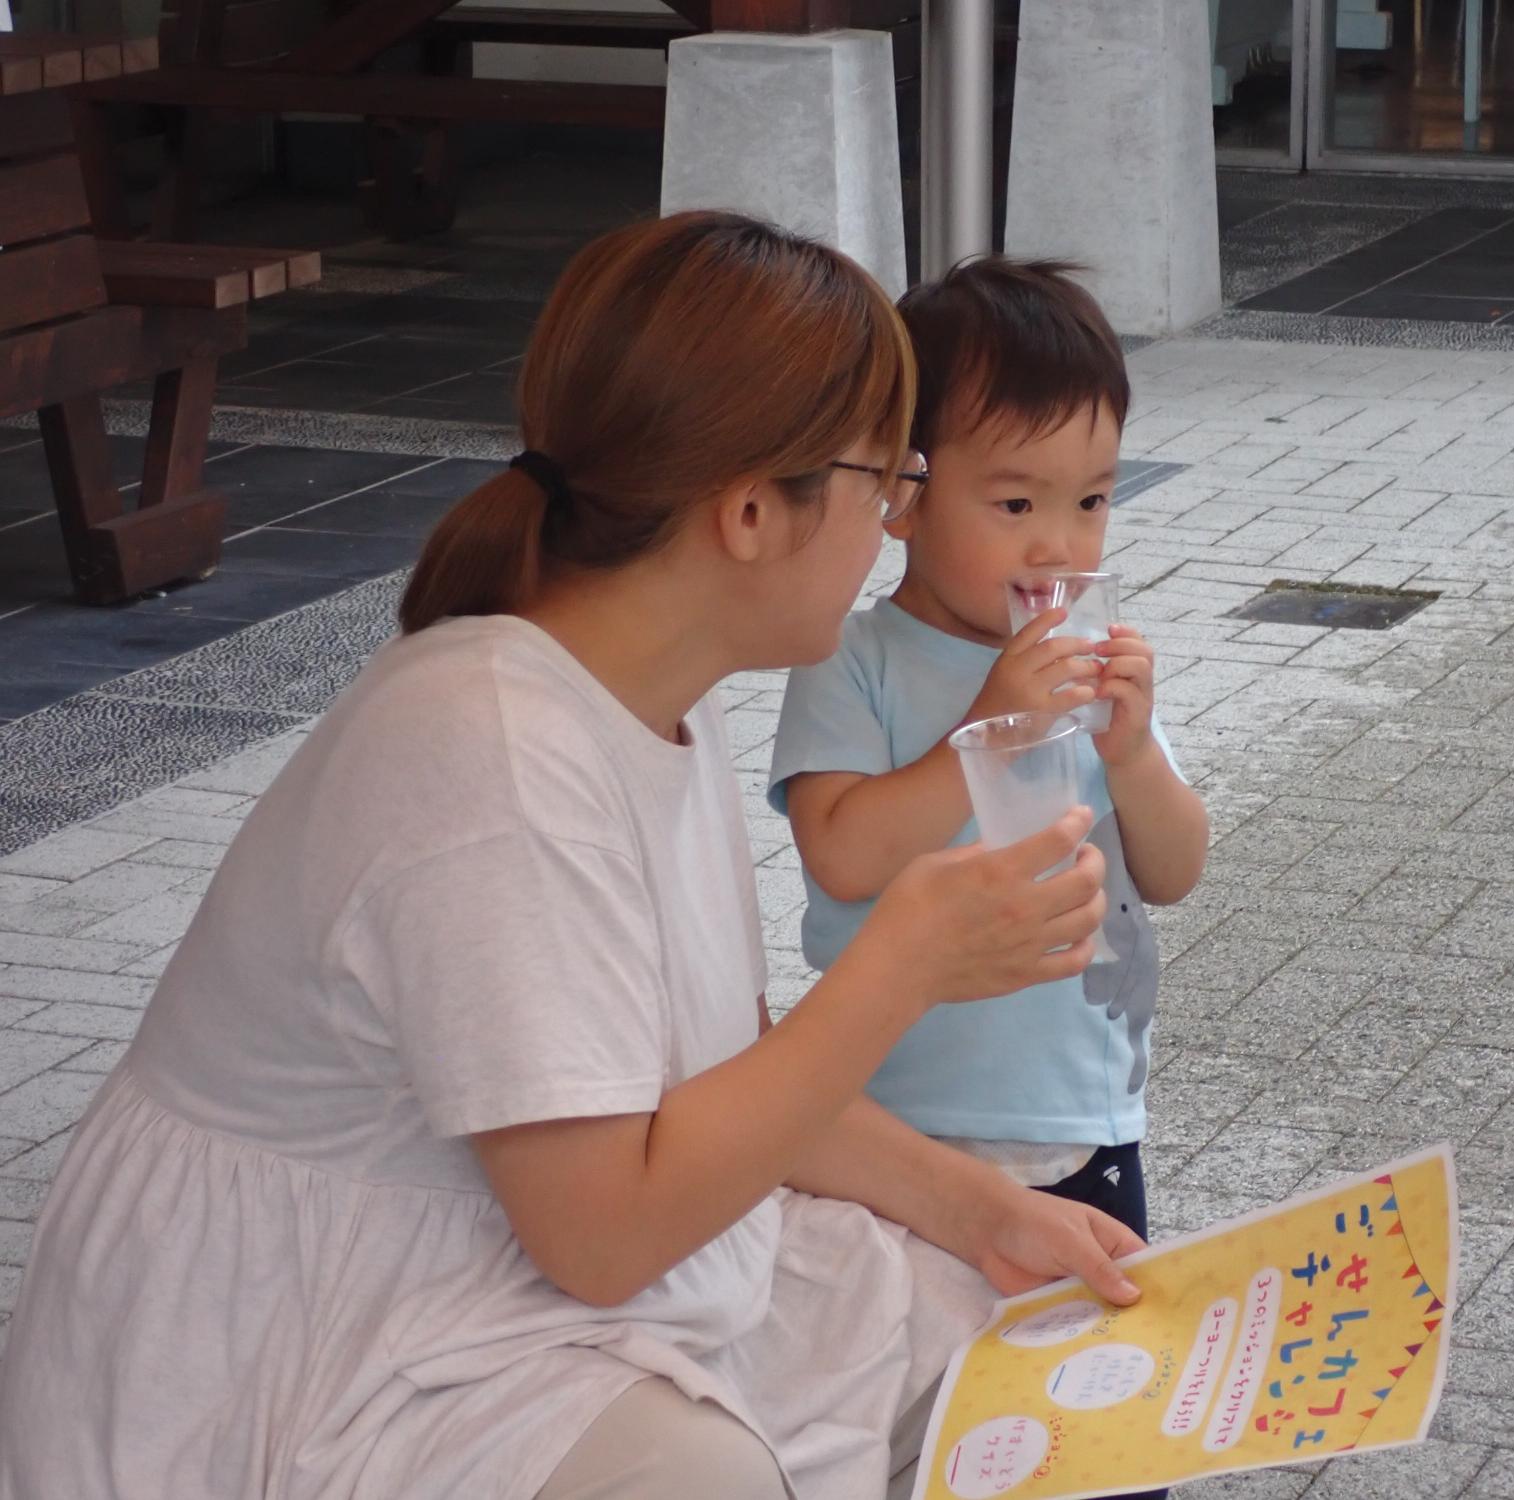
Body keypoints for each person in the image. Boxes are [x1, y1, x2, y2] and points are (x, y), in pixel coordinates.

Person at [0, 215, 1149, 1500]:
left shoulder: (654, 686)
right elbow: (601, 1236)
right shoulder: (490, 751)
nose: (893, 516)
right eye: (886, 473)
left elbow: (724, 1078)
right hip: (303, 1344)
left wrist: (976, 1209)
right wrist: (901, 967)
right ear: (753, 511)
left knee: (999, 1342)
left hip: (484, 1262)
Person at [769, 256, 1210, 1270]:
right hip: (891, 1128)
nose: (1058, 546)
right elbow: (840, 852)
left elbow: (1175, 869)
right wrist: (988, 717)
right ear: (902, 494)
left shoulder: (1088, 671)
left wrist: (1132, 750)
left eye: (1092, 502)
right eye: (1015, 506)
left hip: (1080, 1120)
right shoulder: (849, 656)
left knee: (1081, 1392)